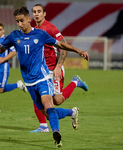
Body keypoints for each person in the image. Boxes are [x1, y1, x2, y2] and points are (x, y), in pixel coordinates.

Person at [0, 6, 89, 148]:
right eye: (17, 21)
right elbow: (0, 48)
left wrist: (78, 51)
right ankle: (72, 112)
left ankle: (56, 133)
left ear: (28, 19)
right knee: (48, 113)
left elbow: (60, 44)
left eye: (22, 21)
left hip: (43, 77)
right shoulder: (14, 36)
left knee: (49, 103)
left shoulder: (40, 34)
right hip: (29, 82)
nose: (20, 24)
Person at [30, 4, 88, 132]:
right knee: (39, 97)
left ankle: (75, 83)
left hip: (53, 69)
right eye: (34, 12)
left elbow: (64, 46)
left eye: (39, 11)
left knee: (57, 100)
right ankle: (43, 126)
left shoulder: (50, 28)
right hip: (42, 72)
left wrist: (59, 66)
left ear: (44, 14)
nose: (36, 14)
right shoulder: (34, 30)